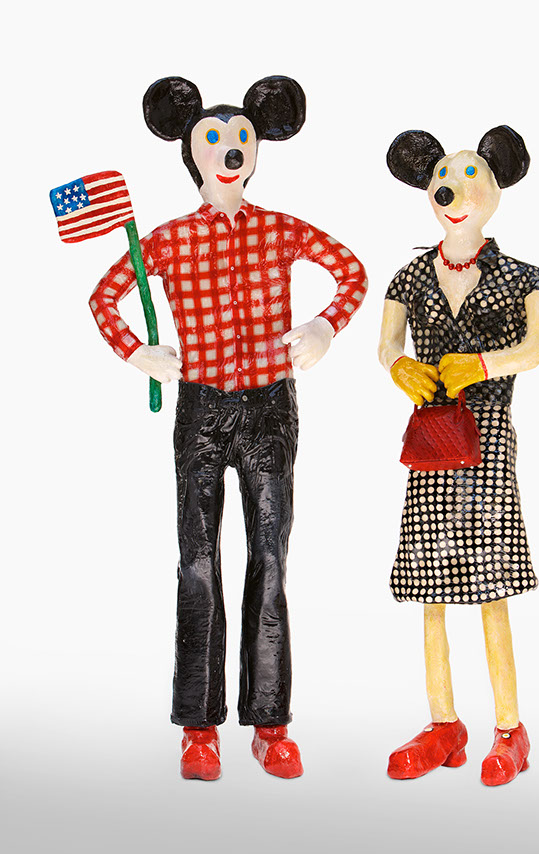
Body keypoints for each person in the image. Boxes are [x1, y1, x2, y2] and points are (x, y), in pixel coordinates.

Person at [90, 75, 367, 780]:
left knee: (270, 557)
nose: (230, 152)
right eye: (214, 140)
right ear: (190, 151)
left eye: (241, 138)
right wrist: (138, 352)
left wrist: (324, 326)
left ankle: (270, 722)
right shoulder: (170, 239)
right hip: (203, 410)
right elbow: (103, 297)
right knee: (198, 560)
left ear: (260, 146)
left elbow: (351, 271)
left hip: (270, 407)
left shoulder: (281, 228)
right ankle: (199, 725)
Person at [379, 125, 539, 786]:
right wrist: (399, 366)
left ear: (499, 182)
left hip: (488, 439)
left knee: (490, 585)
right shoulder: (409, 277)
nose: (455, 192)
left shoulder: (523, 278)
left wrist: (482, 364)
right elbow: (387, 344)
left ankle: (510, 727)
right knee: (431, 587)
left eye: (471, 175)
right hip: (431, 438)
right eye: (443, 181)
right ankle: (443, 722)